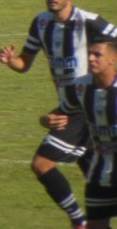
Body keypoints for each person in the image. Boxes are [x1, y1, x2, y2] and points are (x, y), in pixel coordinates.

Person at [0, 0, 117, 229]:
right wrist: (11, 61)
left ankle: (78, 221)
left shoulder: (90, 23)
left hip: (87, 109)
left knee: (42, 164)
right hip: (71, 105)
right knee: (96, 179)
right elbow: (24, 64)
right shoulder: (41, 23)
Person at [45, 38, 117, 228]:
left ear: (113, 59)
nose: (91, 59)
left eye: (97, 55)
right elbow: (64, 110)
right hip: (100, 169)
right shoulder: (80, 86)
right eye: (89, 54)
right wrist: (46, 119)